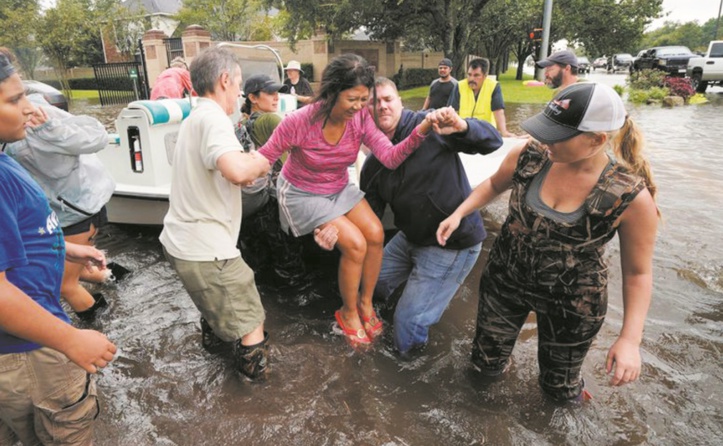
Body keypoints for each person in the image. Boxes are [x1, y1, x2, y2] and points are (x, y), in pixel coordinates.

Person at [437, 82, 659, 401]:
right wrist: (459, 213)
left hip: (573, 303)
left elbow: (638, 274)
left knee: (559, 392)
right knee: (483, 369)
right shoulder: (529, 156)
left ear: (596, 140)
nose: (544, 140)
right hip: (505, 282)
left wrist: (629, 340)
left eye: (557, 135)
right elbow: (494, 184)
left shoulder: (630, 196)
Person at [258, 53, 450, 349]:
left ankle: (365, 303)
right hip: (302, 192)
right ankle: (347, 313)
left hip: (337, 186)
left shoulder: (359, 118)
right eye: (353, 99)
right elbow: (264, 158)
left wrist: (421, 129)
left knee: (374, 233)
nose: (361, 107)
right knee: (356, 244)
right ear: (333, 92)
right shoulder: (299, 122)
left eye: (365, 99)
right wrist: (237, 170)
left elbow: (389, 157)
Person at [0, 52, 117, 445]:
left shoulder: (6, 158)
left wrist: (63, 248)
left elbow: (20, 232)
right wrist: (70, 341)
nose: (28, 108)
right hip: (32, 351)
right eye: (14, 100)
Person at [361, 77, 503, 355]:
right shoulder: (373, 165)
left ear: (401, 102)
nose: (382, 107)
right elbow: (370, 222)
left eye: (388, 99)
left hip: (452, 242)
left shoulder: (431, 125)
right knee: (369, 284)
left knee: (407, 325)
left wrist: (463, 127)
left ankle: (409, 364)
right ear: (365, 111)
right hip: (409, 237)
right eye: (373, 103)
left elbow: (493, 141)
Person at [159, 47, 272, 380]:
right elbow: (238, 171)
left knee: (216, 311)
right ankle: (257, 396)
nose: (240, 93)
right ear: (225, 80)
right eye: (237, 84)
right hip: (206, 250)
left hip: (180, 243)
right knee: (252, 322)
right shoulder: (213, 118)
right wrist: (263, 161)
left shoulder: (195, 118)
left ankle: (217, 362)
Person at [4, 92, 126, 321]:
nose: (24, 108)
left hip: (76, 210)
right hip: (52, 213)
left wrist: (49, 129)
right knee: (69, 268)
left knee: (64, 284)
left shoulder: (34, 109)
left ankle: (105, 329)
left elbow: (96, 136)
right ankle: (115, 276)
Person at [236, 74, 331, 288]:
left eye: (277, 92)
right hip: (273, 206)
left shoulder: (241, 123)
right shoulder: (270, 119)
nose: (276, 97)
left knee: (259, 269)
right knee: (292, 268)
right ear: (253, 97)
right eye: (269, 93)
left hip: (251, 208)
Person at [447, 58, 515, 137]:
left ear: (485, 76)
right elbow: (452, 111)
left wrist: (504, 132)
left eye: (476, 75)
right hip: (464, 130)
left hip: (486, 131)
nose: (471, 79)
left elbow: (498, 111)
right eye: (469, 74)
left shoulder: (493, 86)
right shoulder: (459, 86)